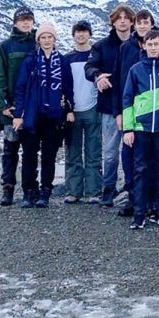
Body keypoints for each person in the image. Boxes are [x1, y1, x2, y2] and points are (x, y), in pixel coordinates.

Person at [121, 29, 159, 229]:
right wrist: (128, 128)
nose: (153, 48)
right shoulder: (136, 70)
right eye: (150, 44)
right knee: (140, 171)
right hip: (141, 129)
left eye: (156, 44)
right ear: (144, 46)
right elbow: (127, 99)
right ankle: (139, 214)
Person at [12, 20, 74, 208]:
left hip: (54, 115)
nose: (47, 40)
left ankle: (45, 191)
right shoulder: (30, 61)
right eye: (43, 37)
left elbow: (68, 87)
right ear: (38, 40)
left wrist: (70, 109)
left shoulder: (62, 61)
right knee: (29, 154)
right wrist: (18, 114)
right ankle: (29, 190)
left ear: (54, 39)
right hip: (32, 114)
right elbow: (20, 88)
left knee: (49, 154)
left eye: (50, 37)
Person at [84, 5, 135, 208]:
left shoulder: (138, 45)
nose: (122, 21)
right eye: (118, 18)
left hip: (135, 107)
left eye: (126, 18)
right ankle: (109, 188)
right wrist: (97, 76)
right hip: (109, 107)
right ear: (112, 22)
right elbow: (89, 67)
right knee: (111, 152)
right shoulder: (101, 46)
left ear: (132, 21)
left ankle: (132, 189)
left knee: (133, 151)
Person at [111, 9, 156, 216]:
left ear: (152, 24)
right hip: (130, 112)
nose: (142, 26)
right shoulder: (125, 48)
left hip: (152, 115)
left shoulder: (157, 47)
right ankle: (132, 197)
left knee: (150, 158)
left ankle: (151, 200)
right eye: (139, 22)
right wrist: (118, 112)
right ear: (134, 25)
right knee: (128, 155)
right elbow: (118, 82)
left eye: (146, 22)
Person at [0, 6, 36, 206]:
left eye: (29, 19)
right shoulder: (4, 48)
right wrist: (4, 105)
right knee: (10, 150)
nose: (26, 23)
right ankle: (7, 188)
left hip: (33, 109)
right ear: (15, 22)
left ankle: (29, 189)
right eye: (22, 19)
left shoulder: (39, 44)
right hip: (11, 109)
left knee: (31, 150)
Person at [63, 20, 102, 204]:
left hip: (93, 108)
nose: (81, 35)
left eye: (84, 32)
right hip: (72, 111)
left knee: (94, 151)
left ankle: (94, 191)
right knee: (73, 152)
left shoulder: (96, 56)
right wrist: (66, 108)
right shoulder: (67, 58)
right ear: (73, 35)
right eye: (78, 32)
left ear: (89, 34)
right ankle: (73, 191)